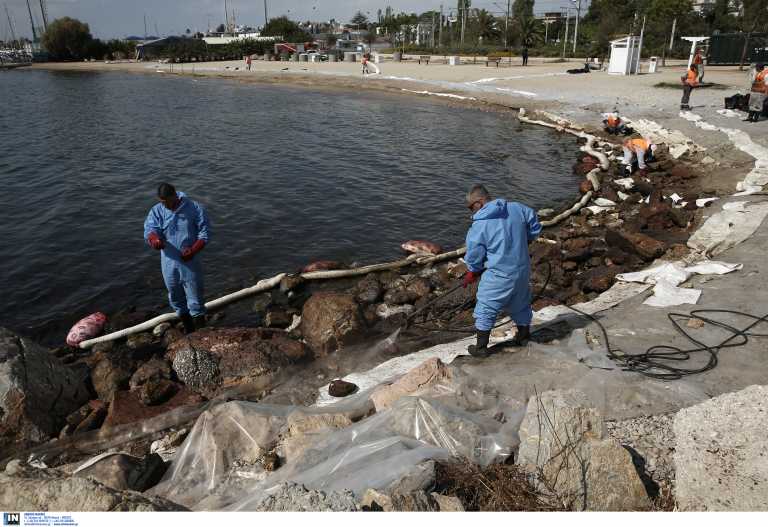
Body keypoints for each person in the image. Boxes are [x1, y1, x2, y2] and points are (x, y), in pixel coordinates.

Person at [462, 185, 542, 358]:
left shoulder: (480, 225)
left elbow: (475, 254)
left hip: (499, 274)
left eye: (471, 206)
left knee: (486, 305)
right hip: (521, 269)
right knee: (520, 302)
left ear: (480, 201)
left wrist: (473, 271)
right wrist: (528, 238)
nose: (470, 211)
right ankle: (523, 335)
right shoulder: (516, 208)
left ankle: (481, 348)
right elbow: (534, 222)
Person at [144, 183, 210, 334]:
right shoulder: (157, 211)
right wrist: (154, 241)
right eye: (161, 201)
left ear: (175, 195)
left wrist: (193, 250)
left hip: (190, 262)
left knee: (195, 298)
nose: (165, 204)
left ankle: (202, 334)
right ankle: (189, 331)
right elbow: (150, 229)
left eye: (167, 200)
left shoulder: (194, 208)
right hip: (168, 262)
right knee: (175, 297)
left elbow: (205, 233)